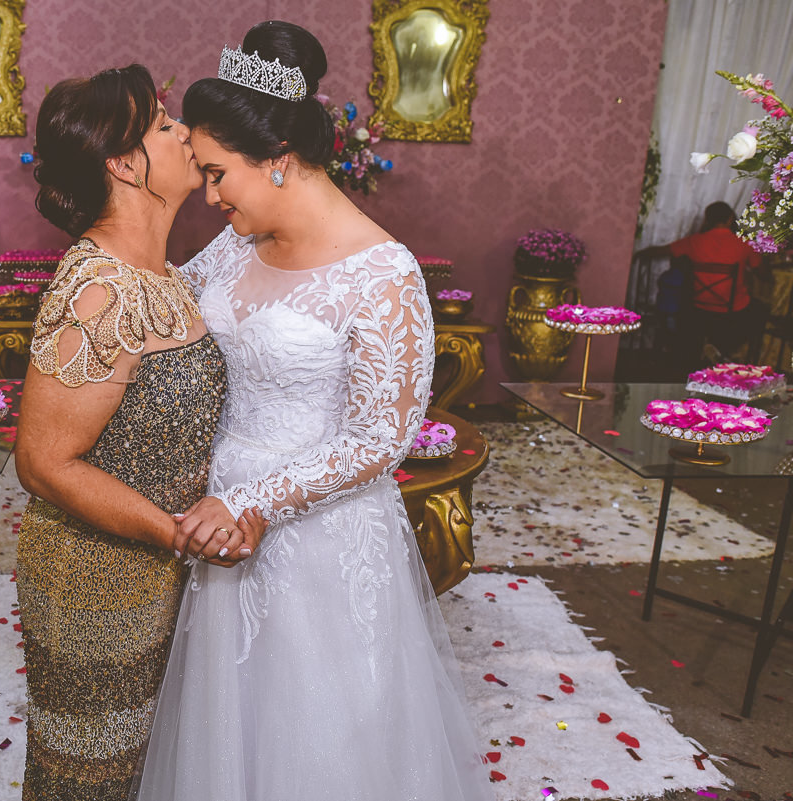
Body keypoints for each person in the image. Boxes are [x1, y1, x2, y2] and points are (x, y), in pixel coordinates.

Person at [137, 21, 493, 801]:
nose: (208, 193)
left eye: (216, 172)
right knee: (228, 729)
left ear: (280, 161)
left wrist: (254, 500)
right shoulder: (236, 242)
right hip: (220, 523)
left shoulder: (382, 273)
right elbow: (173, 307)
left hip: (318, 537)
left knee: (324, 731)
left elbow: (382, 434)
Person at [13, 65, 265, 801]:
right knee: (91, 774)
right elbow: (43, 462)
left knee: (153, 765)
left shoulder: (168, 276)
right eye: (162, 125)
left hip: (160, 567)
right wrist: (174, 534)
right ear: (123, 164)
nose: (183, 131)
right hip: (99, 575)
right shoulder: (98, 290)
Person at [639, 201, 765, 364]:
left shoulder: (694, 241)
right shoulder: (744, 243)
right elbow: (762, 273)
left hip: (699, 308)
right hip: (731, 311)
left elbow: (663, 250)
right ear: (730, 219)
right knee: (760, 311)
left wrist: (640, 252)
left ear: (707, 220)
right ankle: (729, 350)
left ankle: (714, 347)